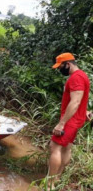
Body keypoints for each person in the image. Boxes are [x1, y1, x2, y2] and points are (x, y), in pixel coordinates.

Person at [49, 52, 90, 185]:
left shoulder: (76, 78)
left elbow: (75, 102)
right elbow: (80, 99)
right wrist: (85, 111)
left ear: (68, 64)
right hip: (76, 118)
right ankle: (57, 179)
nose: (60, 70)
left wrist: (61, 124)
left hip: (70, 121)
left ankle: (48, 184)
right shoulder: (82, 75)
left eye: (60, 67)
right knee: (67, 148)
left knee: (55, 148)